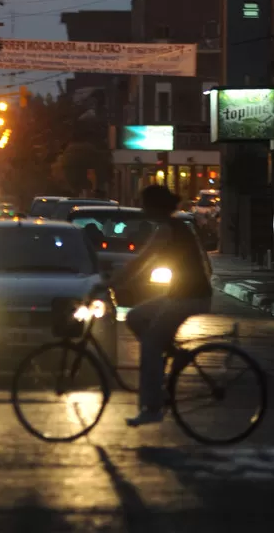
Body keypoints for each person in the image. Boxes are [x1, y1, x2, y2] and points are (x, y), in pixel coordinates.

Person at [113, 183, 213, 427]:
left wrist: (113, 281)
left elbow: (142, 261)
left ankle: (152, 406)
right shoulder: (171, 226)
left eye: (145, 204)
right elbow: (144, 263)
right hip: (179, 294)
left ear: (155, 207)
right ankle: (175, 354)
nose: (142, 208)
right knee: (136, 317)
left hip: (190, 296)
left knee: (150, 343)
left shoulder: (168, 229)